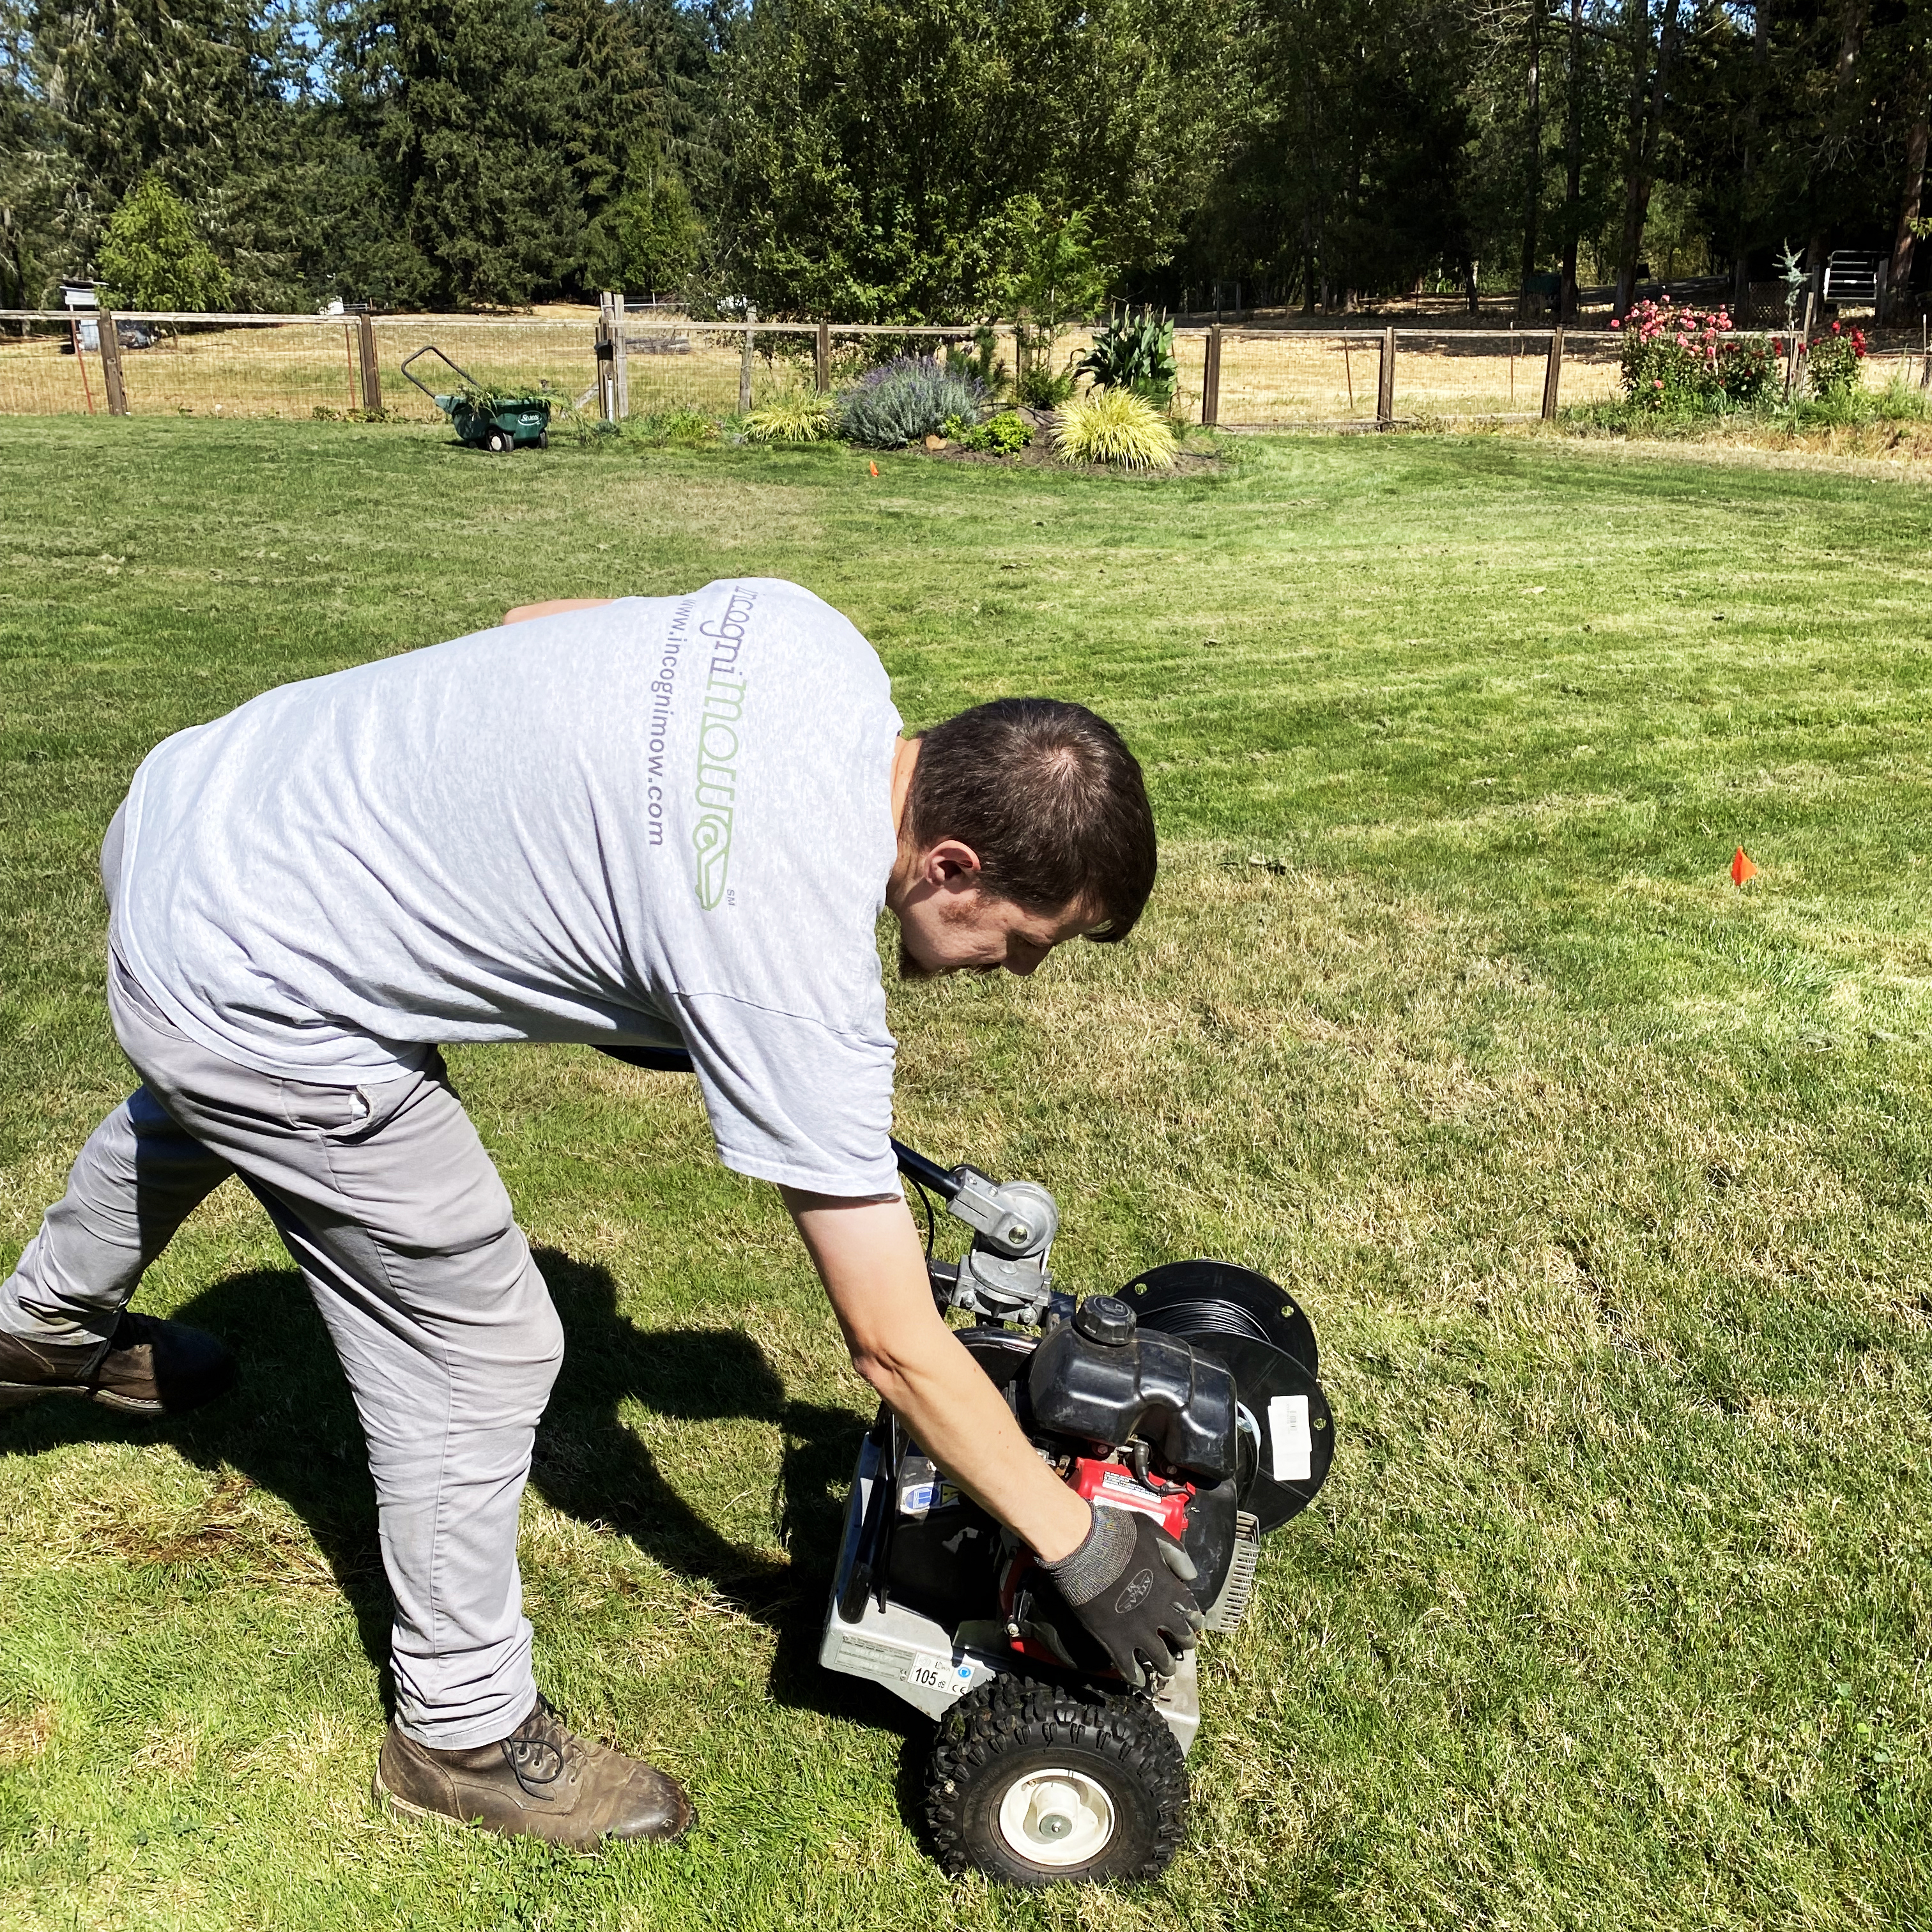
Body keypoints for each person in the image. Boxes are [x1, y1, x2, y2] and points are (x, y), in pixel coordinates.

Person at [0, 578, 1204, 1850]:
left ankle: (46, 1328)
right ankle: (459, 1731)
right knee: (481, 1342)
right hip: (249, 965)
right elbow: (896, 1346)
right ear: (952, 866)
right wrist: (1081, 1546)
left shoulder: (805, 638)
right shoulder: (790, 958)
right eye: (1025, 941)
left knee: (207, 1079)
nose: (1015, 973)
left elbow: (533, 629)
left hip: (211, 799)